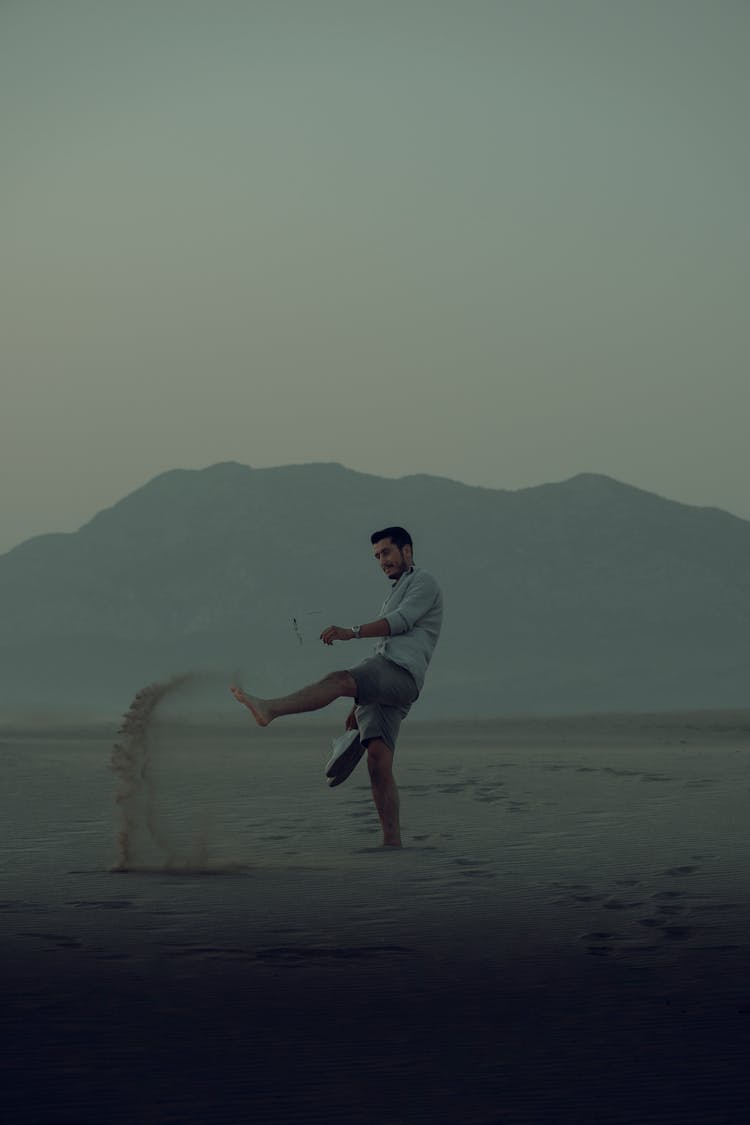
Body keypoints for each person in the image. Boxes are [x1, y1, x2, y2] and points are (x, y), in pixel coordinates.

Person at [230, 526, 443, 847]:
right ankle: (392, 843)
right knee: (378, 760)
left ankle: (270, 708)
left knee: (339, 680)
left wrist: (351, 631)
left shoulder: (424, 582)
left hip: (399, 672)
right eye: (377, 556)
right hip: (388, 678)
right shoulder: (396, 588)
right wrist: (357, 704)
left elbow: (400, 622)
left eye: (386, 552)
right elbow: (388, 637)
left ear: (407, 551)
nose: (381, 560)